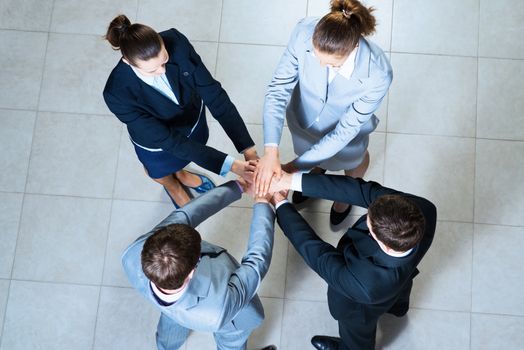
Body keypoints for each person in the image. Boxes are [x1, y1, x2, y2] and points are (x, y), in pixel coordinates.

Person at [256, 0, 392, 226]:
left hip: (345, 136)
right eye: (316, 57)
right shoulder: (303, 32)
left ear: (353, 49)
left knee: (353, 161)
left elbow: (345, 130)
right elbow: (278, 88)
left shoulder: (378, 74)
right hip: (304, 120)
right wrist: (271, 150)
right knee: (310, 155)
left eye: (331, 65)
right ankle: (315, 175)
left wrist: (293, 168)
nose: (319, 66)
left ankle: (344, 197)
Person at [268, 172, 437, 350]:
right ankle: (398, 307)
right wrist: (289, 180)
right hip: (401, 278)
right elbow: (361, 191)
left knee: (357, 338)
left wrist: (280, 204)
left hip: (360, 309)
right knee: (400, 290)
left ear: (385, 246)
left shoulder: (364, 283)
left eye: (369, 225)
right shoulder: (423, 209)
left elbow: (317, 254)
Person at [103, 15, 258, 208]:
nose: (162, 70)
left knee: (187, 155)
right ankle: (173, 186)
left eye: (164, 59)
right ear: (128, 62)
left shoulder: (176, 41)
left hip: (191, 120)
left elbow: (215, 95)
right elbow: (169, 141)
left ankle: (183, 174)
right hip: (158, 143)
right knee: (160, 171)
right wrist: (234, 166)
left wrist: (248, 150)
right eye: (152, 70)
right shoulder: (117, 94)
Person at [122, 180, 277, 350]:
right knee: (231, 344)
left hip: (169, 304)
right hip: (229, 320)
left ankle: (165, 346)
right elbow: (255, 263)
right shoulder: (218, 309)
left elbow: (185, 215)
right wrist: (263, 204)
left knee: (172, 321)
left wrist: (238, 187)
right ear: (191, 273)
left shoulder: (133, 253)